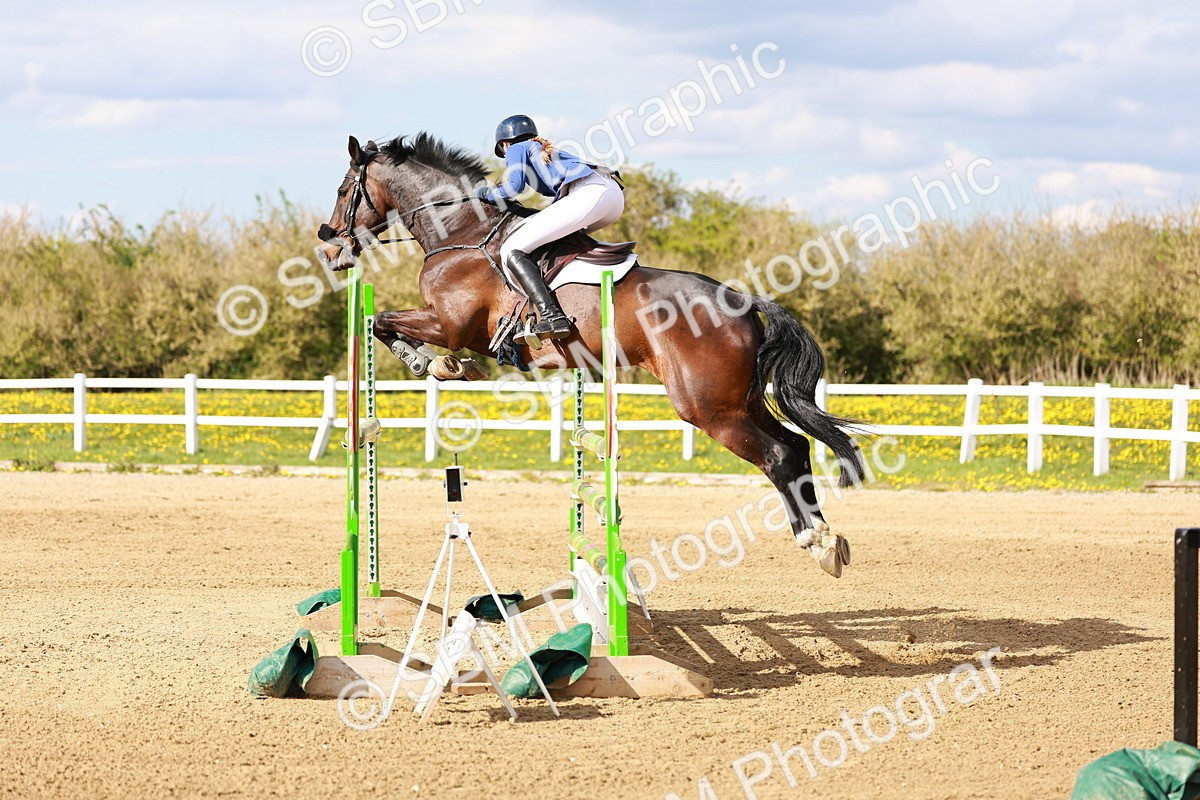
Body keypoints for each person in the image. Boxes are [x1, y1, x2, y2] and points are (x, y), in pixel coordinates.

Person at [477, 114, 624, 342]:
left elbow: (513, 186)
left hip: (589, 193)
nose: (505, 156)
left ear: (505, 144)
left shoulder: (516, 148)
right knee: (556, 246)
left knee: (511, 249)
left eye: (503, 152)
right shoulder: (538, 148)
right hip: (612, 198)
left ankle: (552, 315)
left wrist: (487, 194)